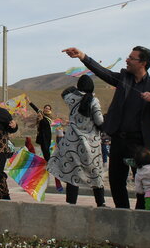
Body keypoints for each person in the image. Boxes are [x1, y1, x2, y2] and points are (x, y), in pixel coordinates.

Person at [62, 46, 150, 209]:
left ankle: (139, 216)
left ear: (143, 63)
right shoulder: (124, 78)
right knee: (116, 182)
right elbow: (104, 72)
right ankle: (122, 214)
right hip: (119, 140)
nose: (127, 60)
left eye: (132, 58)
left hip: (140, 143)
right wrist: (83, 56)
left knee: (143, 182)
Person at [47, 76, 106, 207]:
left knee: (72, 173)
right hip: (91, 144)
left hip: (71, 141)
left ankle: (71, 203)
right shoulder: (94, 101)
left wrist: (75, 89)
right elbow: (100, 121)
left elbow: (65, 92)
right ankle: (100, 203)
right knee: (96, 173)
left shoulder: (70, 98)